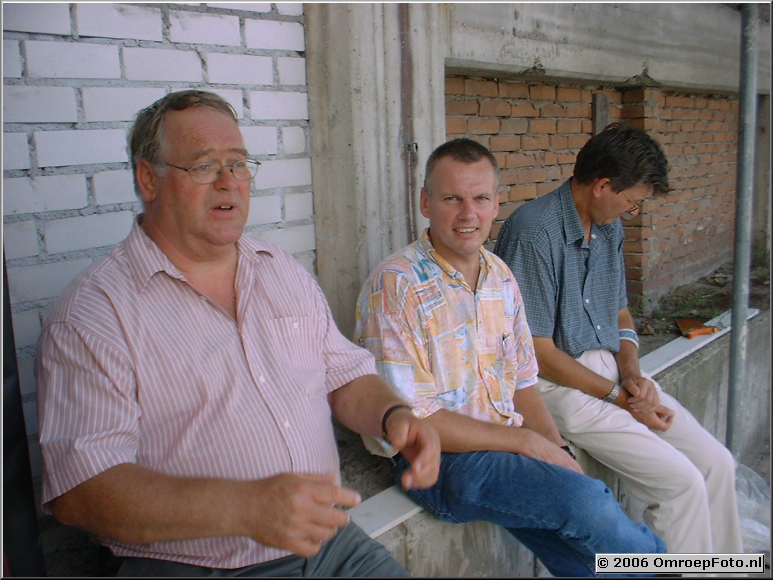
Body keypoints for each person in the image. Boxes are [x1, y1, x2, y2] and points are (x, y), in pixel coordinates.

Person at [34, 90, 441, 577]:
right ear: (149, 178)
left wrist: (395, 415)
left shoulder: (280, 270)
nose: (229, 182)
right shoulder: (94, 314)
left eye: (239, 164)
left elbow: (343, 374)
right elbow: (80, 493)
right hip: (197, 566)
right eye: (204, 166)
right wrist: (246, 508)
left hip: (330, 543)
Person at [353, 137, 666, 577]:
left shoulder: (500, 275)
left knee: (578, 545)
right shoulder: (396, 284)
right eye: (451, 199)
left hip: (501, 446)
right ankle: (676, 566)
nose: (468, 213)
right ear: (425, 202)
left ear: (496, 204)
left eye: (480, 198)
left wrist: (556, 450)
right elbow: (415, 420)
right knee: (586, 502)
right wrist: (526, 443)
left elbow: (522, 384)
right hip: (439, 464)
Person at [494, 122, 743, 555]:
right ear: (602, 185)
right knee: (680, 484)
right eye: (631, 202)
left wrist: (634, 377)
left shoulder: (608, 226)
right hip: (555, 386)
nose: (634, 212)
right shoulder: (534, 231)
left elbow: (620, 311)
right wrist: (616, 395)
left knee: (717, 464)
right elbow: (536, 352)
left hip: (611, 373)